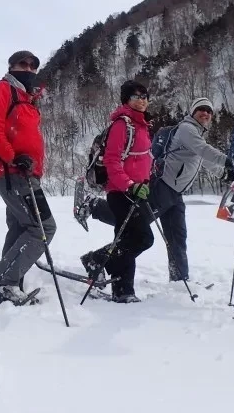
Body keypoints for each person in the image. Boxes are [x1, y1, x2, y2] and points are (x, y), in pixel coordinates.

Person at [0, 50, 56, 303]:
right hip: (12, 171)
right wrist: (12, 156)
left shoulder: (27, 98)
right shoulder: (3, 89)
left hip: (26, 172)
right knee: (43, 228)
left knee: (20, 227)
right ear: (11, 66)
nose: (28, 69)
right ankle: (4, 279)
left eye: (33, 66)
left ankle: (11, 284)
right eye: (22, 64)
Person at [79, 80, 154, 303]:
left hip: (137, 190)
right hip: (122, 192)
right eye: (136, 96)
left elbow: (142, 159)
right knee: (142, 238)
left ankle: (123, 290)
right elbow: (112, 161)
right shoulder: (123, 125)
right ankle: (96, 259)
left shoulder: (141, 126)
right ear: (126, 100)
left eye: (145, 96)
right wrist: (130, 185)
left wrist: (146, 180)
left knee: (125, 239)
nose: (142, 100)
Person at [152, 97, 234, 282]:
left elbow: (204, 159)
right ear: (192, 112)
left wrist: (225, 174)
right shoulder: (186, 129)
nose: (205, 113)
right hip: (162, 187)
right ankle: (97, 253)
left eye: (209, 110)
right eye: (201, 109)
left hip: (175, 193)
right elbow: (205, 150)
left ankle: (179, 279)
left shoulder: (196, 135)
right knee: (137, 228)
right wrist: (230, 161)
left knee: (177, 237)